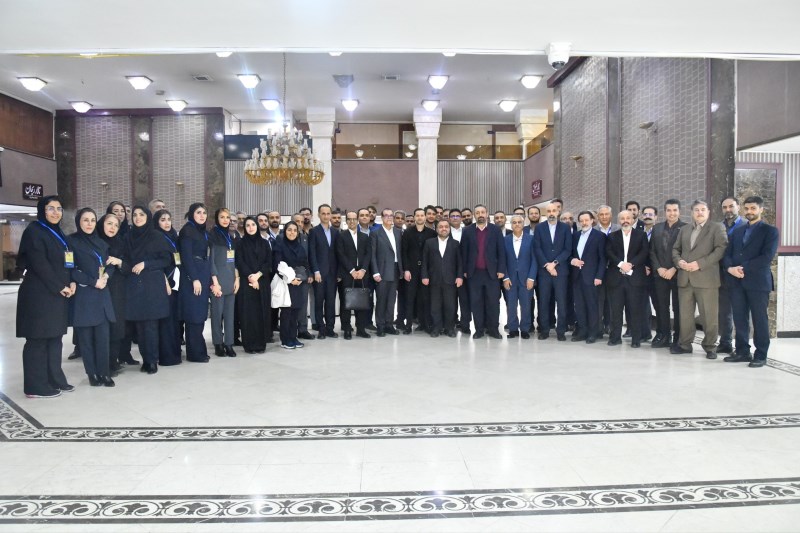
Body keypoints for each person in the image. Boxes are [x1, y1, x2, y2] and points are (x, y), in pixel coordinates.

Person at [16, 196, 75, 398]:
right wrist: (60, 286)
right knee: (38, 340)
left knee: (54, 338)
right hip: (39, 296)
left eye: (59, 209)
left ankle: (55, 379)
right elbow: (39, 264)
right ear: (42, 210)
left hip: (57, 295)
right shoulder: (34, 231)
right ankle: (35, 386)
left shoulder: (58, 233)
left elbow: (67, 262)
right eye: (51, 208)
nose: (55, 212)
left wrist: (71, 282)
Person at [722, 196, 779, 368]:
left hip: (758, 282)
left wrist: (742, 267)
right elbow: (727, 254)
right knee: (740, 318)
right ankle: (742, 351)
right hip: (736, 281)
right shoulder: (738, 231)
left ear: (761, 209)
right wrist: (730, 268)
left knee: (759, 319)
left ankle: (761, 354)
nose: (749, 212)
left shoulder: (770, 231)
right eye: (747, 208)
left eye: (753, 208)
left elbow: (766, 257)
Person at [671, 199, 728, 358]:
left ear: (708, 212)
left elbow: (720, 249)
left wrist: (699, 264)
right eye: (696, 210)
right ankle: (685, 344)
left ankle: (710, 346)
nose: (700, 212)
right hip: (685, 278)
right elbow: (675, 249)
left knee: (709, 316)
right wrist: (679, 262)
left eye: (703, 209)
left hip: (706, 279)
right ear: (692, 213)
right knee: (685, 316)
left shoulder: (717, 227)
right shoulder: (684, 229)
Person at [67, 208, 117, 387]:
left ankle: (104, 373)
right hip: (84, 296)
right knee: (86, 340)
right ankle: (92, 373)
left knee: (103, 338)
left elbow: (109, 264)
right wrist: (92, 281)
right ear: (78, 222)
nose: (89, 224)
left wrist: (106, 276)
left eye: (92, 220)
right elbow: (70, 269)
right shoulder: (71, 242)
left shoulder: (101, 243)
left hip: (102, 296)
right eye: (85, 220)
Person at [124, 206, 172, 374]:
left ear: (148, 217)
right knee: (139, 326)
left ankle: (152, 361)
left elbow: (166, 259)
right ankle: (145, 359)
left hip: (152, 286)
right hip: (134, 285)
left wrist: (146, 264)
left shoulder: (156, 236)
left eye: (141, 214)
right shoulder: (128, 237)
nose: (137, 218)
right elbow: (126, 260)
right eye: (135, 215)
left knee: (151, 326)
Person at [460, 204, 506, 339]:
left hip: (492, 273)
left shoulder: (495, 230)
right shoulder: (467, 231)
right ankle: (479, 330)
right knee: (476, 302)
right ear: (474, 215)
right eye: (478, 213)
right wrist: (464, 270)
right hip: (474, 274)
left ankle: (493, 330)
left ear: (487, 214)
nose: (480, 215)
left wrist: (501, 269)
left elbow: (501, 251)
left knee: (493, 302)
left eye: (482, 212)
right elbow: (464, 252)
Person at [605, 210, 649, 347]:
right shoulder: (612, 236)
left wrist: (631, 264)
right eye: (622, 218)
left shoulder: (641, 235)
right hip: (616, 278)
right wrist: (620, 264)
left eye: (628, 218)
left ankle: (636, 339)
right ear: (619, 221)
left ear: (632, 219)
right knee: (616, 310)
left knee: (635, 310)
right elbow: (609, 252)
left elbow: (644, 252)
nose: (625, 221)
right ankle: (615, 337)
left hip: (635, 278)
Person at [649, 199, 686, 349]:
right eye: (669, 210)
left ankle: (678, 338)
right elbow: (652, 251)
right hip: (660, 274)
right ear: (665, 212)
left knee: (678, 308)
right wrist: (658, 268)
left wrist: (674, 268)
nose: (672, 213)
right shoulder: (657, 228)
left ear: (679, 211)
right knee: (661, 306)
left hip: (678, 274)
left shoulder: (686, 228)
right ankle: (664, 335)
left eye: (675, 210)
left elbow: (686, 252)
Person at [533, 202, 573, 340]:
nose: (551, 213)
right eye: (549, 211)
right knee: (543, 302)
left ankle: (561, 331)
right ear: (546, 213)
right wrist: (547, 265)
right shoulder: (539, 228)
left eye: (554, 211)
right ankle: (544, 330)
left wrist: (554, 264)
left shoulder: (565, 228)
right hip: (544, 272)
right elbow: (537, 248)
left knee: (561, 302)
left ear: (558, 212)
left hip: (561, 271)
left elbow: (567, 249)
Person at [178, 203, 212, 363]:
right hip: (192, 277)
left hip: (203, 273)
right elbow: (186, 257)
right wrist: (195, 278)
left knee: (200, 314)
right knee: (193, 315)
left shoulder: (203, 231)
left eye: (204, 213)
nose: (202, 215)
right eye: (198, 212)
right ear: (192, 214)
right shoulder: (187, 231)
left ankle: (199, 350)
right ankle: (194, 353)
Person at [235, 217, 273, 353]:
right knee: (248, 315)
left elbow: (269, 262)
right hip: (247, 283)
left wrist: (258, 275)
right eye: (248, 225)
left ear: (257, 226)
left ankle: (261, 344)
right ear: (244, 228)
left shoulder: (264, 243)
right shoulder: (240, 243)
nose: (251, 227)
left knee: (262, 313)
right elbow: (240, 262)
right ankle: (249, 345)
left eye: (253, 224)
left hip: (262, 282)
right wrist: (251, 277)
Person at [97, 213, 127, 374]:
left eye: (116, 225)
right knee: (102, 328)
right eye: (109, 223)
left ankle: (113, 361)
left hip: (117, 289)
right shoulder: (95, 241)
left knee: (116, 326)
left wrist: (120, 262)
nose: (112, 228)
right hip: (98, 288)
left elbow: (129, 266)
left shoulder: (121, 243)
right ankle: (102, 364)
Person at [273, 221, 311, 349]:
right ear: (285, 231)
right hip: (286, 283)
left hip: (298, 283)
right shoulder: (280, 245)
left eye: (295, 230)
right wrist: (290, 279)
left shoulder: (300, 247)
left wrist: (302, 277)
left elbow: (305, 263)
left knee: (295, 311)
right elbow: (277, 265)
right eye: (289, 230)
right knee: (287, 312)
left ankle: (293, 337)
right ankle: (285, 339)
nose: (292, 233)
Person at [421, 219, 462, 337]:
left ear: (449, 229)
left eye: (446, 227)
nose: (444, 229)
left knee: (450, 306)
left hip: (451, 280)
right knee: (435, 306)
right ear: (437, 229)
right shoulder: (429, 243)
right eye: (441, 227)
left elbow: (459, 262)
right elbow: (425, 261)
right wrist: (424, 276)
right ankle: (436, 328)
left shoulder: (455, 243)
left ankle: (449, 328)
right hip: (434, 280)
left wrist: (459, 276)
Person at [570, 211, 606, 343]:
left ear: (592, 221)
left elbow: (603, 259)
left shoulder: (599, 236)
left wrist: (599, 276)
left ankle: (593, 333)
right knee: (579, 306)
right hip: (577, 277)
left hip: (592, 277)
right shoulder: (575, 235)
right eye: (581, 220)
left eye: (586, 220)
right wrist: (572, 260)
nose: (584, 223)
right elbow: (570, 253)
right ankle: (583, 331)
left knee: (592, 306)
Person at [152, 209, 183, 366]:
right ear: (156, 222)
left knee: (174, 320)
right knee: (166, 321)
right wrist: (165, 282)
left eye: (169, 219)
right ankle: (166, 355)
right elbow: (157, 262)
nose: (167, 223)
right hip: (164, 284)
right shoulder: (155, 238)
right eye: (163, 220)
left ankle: (175, 352)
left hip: (176, 283)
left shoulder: (173, 236)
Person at [718, 196, 747, 355]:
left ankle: (742, 347)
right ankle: (725, 343)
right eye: (725, 207)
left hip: (741, 275)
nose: (728, 210)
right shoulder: (718, 227)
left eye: (731, 206)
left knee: (741, 313)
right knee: (724, 312)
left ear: (738, 207)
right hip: (722, 275)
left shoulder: (746, 225)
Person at [336, 210, 372, 339]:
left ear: (357, 220)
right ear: (346, 221)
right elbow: (340, 254)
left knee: (361, 301)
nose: (352, 221)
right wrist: (352, 271)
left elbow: (368, 254)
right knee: (346, 303)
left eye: (354, 219)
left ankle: (361, 329)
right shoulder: (341, 236)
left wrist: (363, 270)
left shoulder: (365, 236)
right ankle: (346, 329)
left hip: (362, 274)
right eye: (349, 219)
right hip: (347, 274)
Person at [209, 208, 240, 357]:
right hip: (218, 282)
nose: (226, 220)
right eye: (222, 217)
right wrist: (215, 282)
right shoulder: (212, 236)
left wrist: (237, 279)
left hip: (230, 280)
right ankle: (218, 343)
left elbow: (234, 261)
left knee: (229, 315)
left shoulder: (231, 236)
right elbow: (211, 261)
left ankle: (229, 343)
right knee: (217, 315)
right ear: (217, 218)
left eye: (228, 217)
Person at [401, 208, 437, 334]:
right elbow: (404, 252)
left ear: (425, 217)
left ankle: (425, 324)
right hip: (411, 270)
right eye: (418, 215)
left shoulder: (432, 233)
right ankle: (408, 325)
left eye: (422, 215)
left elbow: (433, 253)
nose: (420, 217)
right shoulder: (407, 232)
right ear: (414, 217)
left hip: (426, 271)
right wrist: (406, 269)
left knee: (425, 298)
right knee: (410, 298)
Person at [371, 208, 404, 336]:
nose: (389, 217)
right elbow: (373, 255)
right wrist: (375, 272)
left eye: (391, 215)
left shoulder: (398, 232)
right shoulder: (375, 233)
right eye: (386, 215)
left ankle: (389, 324)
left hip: (395, 269)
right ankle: (380, 325)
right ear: (382, 217)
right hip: (382, 270)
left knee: (391, 300)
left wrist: (402, 269)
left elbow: (400, 252)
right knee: (381, 300)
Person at [503, 215, 536, 339]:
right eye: (514, 222)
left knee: (526, 305)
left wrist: (531, 277)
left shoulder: (531, 239)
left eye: (519, 222)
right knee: (511, 305)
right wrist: (505, 277)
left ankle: (525, 329)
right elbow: (502, 260)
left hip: (526, 278)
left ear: (523, 224)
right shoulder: (505, 240)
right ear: (511, 225)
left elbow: (534, 260)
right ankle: (513, 329)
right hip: (510, 278)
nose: (517, 224)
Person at [309, 204, 340, 338]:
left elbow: (338, 254)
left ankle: (330, 328)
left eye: (328, 213)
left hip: (332, 274)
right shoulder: (314, 231)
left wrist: (338, 273)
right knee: (319, 302)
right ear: (319, 215)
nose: (326, 216)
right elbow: (312, 253)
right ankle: (321, 329)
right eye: (323, 213)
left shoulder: (336, 232)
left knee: (331, 302)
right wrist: (315, 271)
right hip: (319, 274)